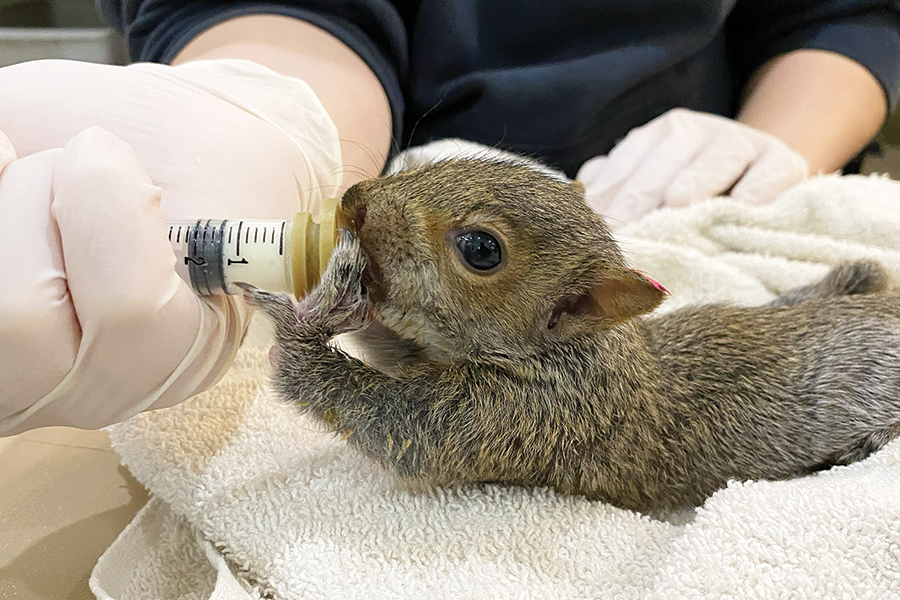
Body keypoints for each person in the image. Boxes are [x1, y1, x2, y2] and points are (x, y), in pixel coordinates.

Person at [0, 1, 895, 435]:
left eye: (475, 254)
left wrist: (779, 141)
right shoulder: (472, 318)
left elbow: (405, 429)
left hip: (688, 170)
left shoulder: (528, 401)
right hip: (387, 133)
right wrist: (268, 118)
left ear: (573, 314)